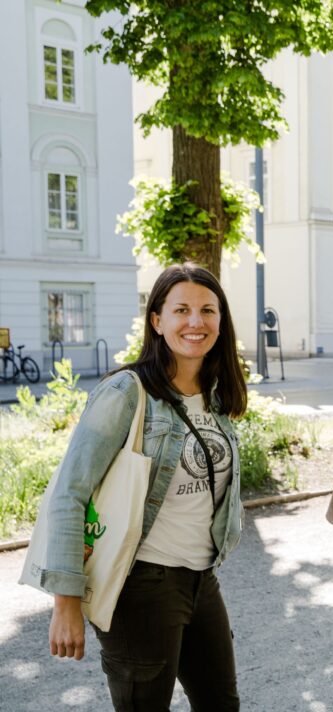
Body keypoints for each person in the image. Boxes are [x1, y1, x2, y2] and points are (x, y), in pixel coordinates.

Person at [43, 263, 247, 711]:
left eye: (208, 310)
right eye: (182, 310)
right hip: (140, 585)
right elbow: (69, 493)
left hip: (200, 580)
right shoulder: (126, 392)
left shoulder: (215, 395)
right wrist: (66, 599)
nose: (196, 322)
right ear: (157, 320)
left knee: (222, 703)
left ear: (221, 320)